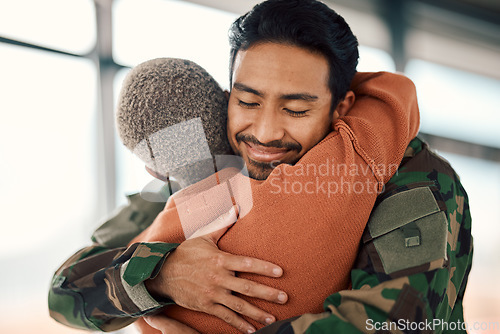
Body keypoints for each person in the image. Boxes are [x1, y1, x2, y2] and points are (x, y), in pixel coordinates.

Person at [48, 1, 472, 334]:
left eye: (295, 109)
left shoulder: (409, 178)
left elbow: (397, 322)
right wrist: (161, 276)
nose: (265, 133)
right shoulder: (204, 175)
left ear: (340, 107)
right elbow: (64, 293)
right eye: (247, 102)